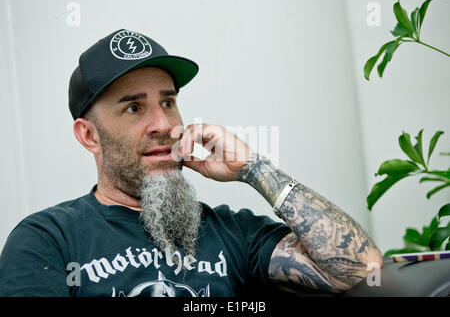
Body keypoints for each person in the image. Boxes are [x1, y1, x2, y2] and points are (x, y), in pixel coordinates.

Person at [0, 29, 383, 297]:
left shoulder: (232, 233)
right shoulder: (48, 240)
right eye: (134, 108)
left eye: (168, 102)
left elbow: (361, 269)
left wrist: (253, 167)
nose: (164, 126)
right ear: (89, 136)